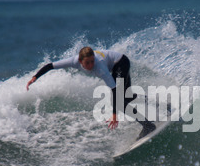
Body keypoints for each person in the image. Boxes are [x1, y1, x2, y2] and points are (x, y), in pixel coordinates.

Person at [26, 47, 156, 139]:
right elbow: (50, 66)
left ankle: (148, 126)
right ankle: (159, 104)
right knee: (129, 96)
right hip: (117, 64)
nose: (91, 65)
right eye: (87, 62)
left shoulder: (100, 68)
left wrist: (114, 115)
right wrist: (35, 77)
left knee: (121, 102)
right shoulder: (73, 61)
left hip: (121, 63)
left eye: (92, 61)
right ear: (80, 61)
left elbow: (114, 90)